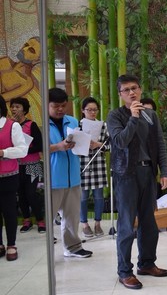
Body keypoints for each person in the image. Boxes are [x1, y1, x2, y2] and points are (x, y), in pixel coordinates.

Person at [106, 74, 167, 290]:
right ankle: (125, 271)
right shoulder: (115, 116)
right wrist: (133, 118)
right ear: (120, 94)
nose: (131, 92)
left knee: (149, 223)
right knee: (126, 225)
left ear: (140, 89)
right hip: (126, 175)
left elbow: (160, 144)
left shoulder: (151, 115)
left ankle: (147, 263)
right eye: (126, 90)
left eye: (134, 88)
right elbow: (120, 141)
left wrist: (165, 171)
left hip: (147, 173)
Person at [48, 88, 93, 259]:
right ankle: (46, 251)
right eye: (55, 106)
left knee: (72, 216)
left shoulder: (73, 121)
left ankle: (73, 247)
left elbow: (81, 142)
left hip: (73, 176)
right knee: (49, 218)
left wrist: (89, 143)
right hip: (53, 178)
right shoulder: (41, 124)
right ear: (48, 105)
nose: (60, 109)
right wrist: (58, 146)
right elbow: (36, 152)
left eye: (63, 106)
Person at [10, 97, 44, 233]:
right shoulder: (10, 126)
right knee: (21, 194)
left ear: (24, 109)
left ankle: (41, 220)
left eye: (17, 107)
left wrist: (23, 150)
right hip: (16, 166)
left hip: (32, 164)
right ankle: (27, 220)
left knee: (31, 194)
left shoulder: (32, 125)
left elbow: (39, 146)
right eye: (12, 107)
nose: (14, 109)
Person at [0, 94, 27, 261]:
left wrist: (3, 152)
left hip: (8, 176)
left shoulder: (12, 126)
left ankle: (11, 244)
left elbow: (22, 149)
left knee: (9, 211)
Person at [79, 97, 110, 238]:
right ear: (83, 111)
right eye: (89, 110)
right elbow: (72, 144)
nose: (92, 112)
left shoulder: (103, 125)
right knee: (83, 197)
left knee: (99, 196)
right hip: (82, 164)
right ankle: (84, 224)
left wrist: (98, 144)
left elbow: (110, 145)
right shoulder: (78, 126)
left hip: (98, 163)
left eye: (94, 110)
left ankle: (98, 223)